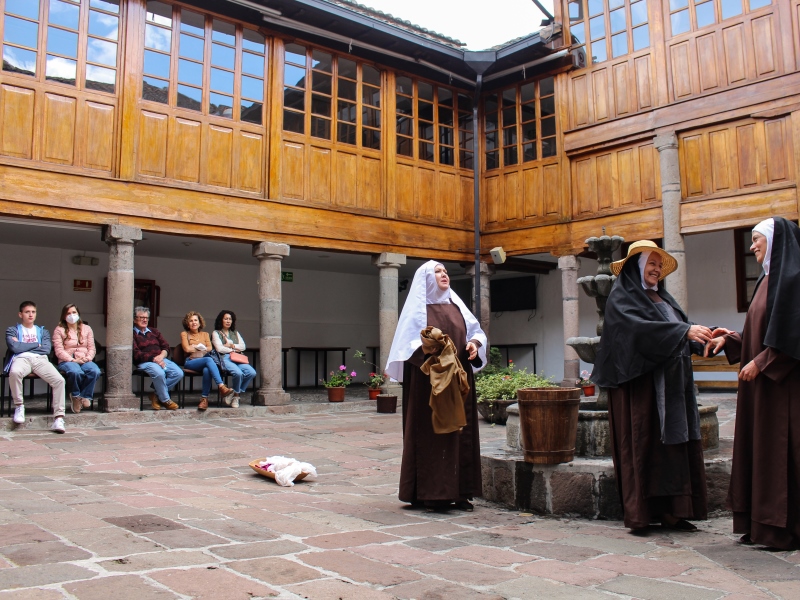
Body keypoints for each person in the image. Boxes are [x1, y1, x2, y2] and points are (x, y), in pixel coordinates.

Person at [592, 241, 711, 532]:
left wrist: (701, 335)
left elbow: (676, 329)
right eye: (651, 264)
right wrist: (684, 331)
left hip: (672, 388)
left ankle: (673, 511)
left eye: (659, 265)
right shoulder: (622, 300)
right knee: (645, 447)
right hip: (641, 390)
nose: (657, 270)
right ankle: (642, 513)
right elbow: (637, 331)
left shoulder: (664, 299)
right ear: (636, 266)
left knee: (672, 448)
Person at [706, 217, 800, 550]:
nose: (752, 245)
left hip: (783, 390)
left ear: (775, 242)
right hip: (761, 389)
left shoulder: (793, 280)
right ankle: (759, 525)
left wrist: (763, 362)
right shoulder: (765, 281)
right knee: (759, 452)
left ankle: (781, 529)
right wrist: (731, 340)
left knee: (778, 453)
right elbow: (761, 335)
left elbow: (794, 335)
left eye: (757, 239)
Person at [385, 260, 487, 511]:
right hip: (429, 384)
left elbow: (475, 332)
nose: (444, 275)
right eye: (437, 272)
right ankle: (433, 493)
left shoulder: (457, 306)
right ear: (426, 279)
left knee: (460, 434)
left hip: (459, 381)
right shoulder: (417, 311)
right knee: (433, 435)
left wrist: (474, 345)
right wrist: (434, 354)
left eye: (445, 271)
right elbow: (408, 346)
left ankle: (461, 492)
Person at [4, 301, 67, 433]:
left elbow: (46, 349)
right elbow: (15, 348)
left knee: (59, 380)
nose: (31, 315)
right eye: (27, 312)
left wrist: (23, 345)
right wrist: (36, 345)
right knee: (15, 373)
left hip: (40, 360)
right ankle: (19, 406)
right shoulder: (12, 330)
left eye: (33, 312)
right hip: (21, 359)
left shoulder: (43, 331)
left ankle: (59, 418)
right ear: (20, 314)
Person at [180, 311, 234, 411]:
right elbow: (187, 349)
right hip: (191, 362)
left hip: (203, 361)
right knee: (208, 360)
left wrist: (194, 347)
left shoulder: (205, 334)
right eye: (191, 321)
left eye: (196, 320)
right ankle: (221, 386)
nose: (193, 322)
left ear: (200, 323)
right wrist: (199, 348)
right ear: (187, 323)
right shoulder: (184, 334)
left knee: (207, 370)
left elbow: (209, 348)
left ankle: (204, 399)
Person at [53, 303, 101, 414]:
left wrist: (88, 358)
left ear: (78, 313)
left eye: (74, 312)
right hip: (67, 360)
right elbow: (59, 351)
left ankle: (84, 396)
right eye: (68, 313)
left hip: (84, 359)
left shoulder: (87, 329)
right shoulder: (59, 330)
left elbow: (92, 348)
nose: (72, 315)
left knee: (95, 371)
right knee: (75, 372)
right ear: (64, 316)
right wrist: (73, 360)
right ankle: (75, 395)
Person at [133, 306, 182, 410]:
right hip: (145, 362)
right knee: (159, 373)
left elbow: (166, 347)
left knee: (178, 373)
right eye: (141, 317)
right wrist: (154, 359)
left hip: (161, 358)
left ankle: (155, 394)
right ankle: (165, 400)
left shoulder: (154, 331)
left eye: (146, 318)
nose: (144, 320)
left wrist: (160, 356)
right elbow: (136, 353)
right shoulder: (131, 334)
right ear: (134, 319)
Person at [211, 310, 256, 408]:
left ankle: (234, 393)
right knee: (238, 373)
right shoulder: (216, 333)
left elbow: (243, 346)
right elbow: (219, 348)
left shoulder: (235, 333)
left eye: (230, 319)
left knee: (251, 372)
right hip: (225, 358)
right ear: (221, 320)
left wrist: (231, 345)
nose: (228, 321)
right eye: (226, 319)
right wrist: (234, 348)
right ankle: (236, 396)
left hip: (237, 358)